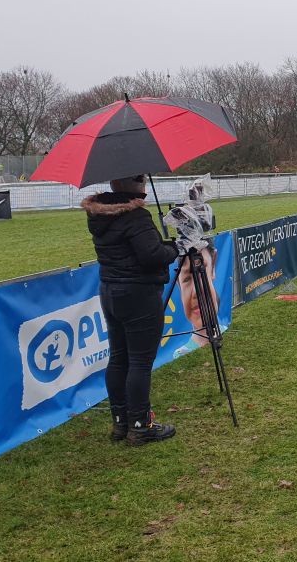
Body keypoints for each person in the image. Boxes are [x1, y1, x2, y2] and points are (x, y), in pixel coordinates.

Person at [82, 175, 181, 445]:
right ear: (131, 183)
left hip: (111, 291)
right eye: (140, 178)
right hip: (138, 293)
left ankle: (121, 422)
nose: (144, 183)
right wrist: (174, 248)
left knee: (119, 358)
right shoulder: (135, 216)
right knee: (139, 361)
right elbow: (152, 256)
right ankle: (139, 425)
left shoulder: (100, 214)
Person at [172, 238, 220, 358]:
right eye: (187, 279)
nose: (196, 292)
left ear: (213, 267)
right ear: (179, 284)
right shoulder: (180, 355)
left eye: (201, 271)